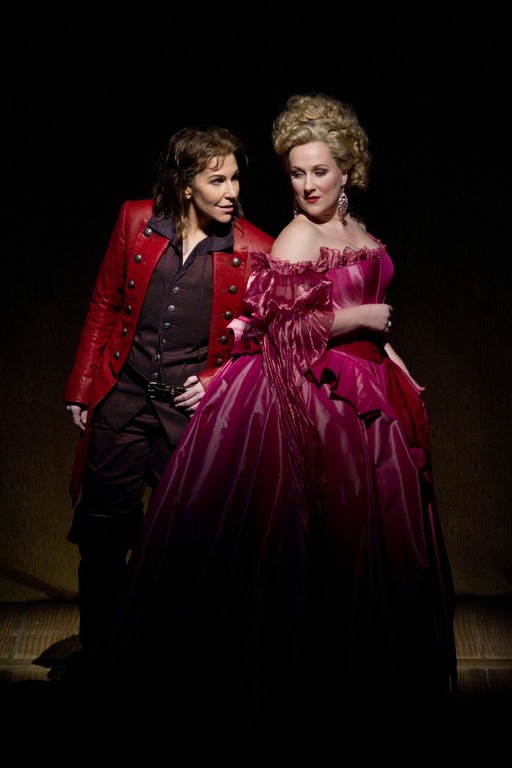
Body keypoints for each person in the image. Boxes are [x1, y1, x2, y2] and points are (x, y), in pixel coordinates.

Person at [60, 94, 457, 729]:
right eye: (296, 174)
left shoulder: (298, 237)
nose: (304, 185)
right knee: (116, 529)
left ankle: (342, 669)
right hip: (215, 396)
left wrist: (393, 359)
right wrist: (84, 386)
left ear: (348, 170)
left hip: (316, 393)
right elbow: (266, 326)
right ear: (186, 184)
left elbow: (311, 323)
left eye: (318, 171)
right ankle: (108, 647)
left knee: (323, 543)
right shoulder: (242, 231)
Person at [63, 125, 274, 656]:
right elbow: (105, 302)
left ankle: (166, 657)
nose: (231, 192)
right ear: (184, 184)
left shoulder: (255, 248)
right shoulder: (136, 221)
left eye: (235, 179)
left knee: (184, 540)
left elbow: (265, 340)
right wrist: (82, 386)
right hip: (123, 399)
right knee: (101, 533)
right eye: (217, 180)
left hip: (191, 416)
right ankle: (99, 653)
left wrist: (216, 381)